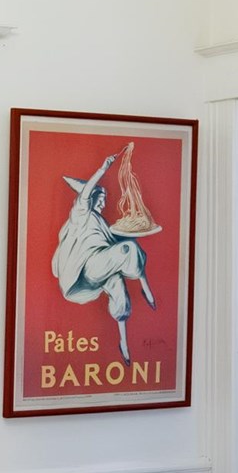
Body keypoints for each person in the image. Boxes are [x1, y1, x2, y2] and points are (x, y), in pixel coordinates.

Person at [50, 151, 158, 361]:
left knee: (119, 287)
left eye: (104, 200)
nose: (103, 203)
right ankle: (146, 288)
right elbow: (85, 194)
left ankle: (123, 345)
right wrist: (103, 169)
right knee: (128, 249)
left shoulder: (102, 224)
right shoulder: (82, 215)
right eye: (100, 199)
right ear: (91, 200)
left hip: (100, 271)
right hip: (89, 268)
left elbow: (112, 239)